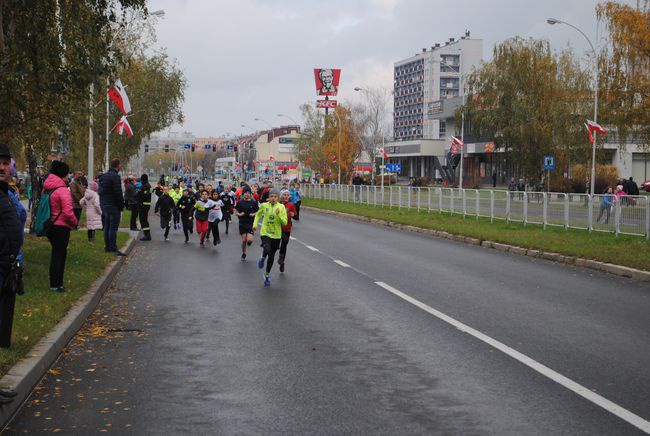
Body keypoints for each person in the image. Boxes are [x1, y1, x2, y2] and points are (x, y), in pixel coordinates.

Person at [0, 145, 24, 351]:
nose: (2, 167)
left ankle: (3, 345)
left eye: (5, 163)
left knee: (6, 308)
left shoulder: (7, 192)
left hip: (9, 263)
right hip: (2, 260)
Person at [43, 160, 78, 292]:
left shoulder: (48, 187)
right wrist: (75, 223)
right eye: (67, 174)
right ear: (63, 175)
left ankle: (55, 283)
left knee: (56, 254)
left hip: (50, 225)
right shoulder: (63, 190)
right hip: (61, 227)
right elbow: (68, 212)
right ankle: (56, 285)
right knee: (59, 256)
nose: (69, 176)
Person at [253, 189, 287, 286]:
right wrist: (255, 225)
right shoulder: (264, 205)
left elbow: (284, 222)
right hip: (265, 232)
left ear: (278, 198)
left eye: (275, 196)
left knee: (271, 256)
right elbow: (257, 215)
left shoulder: (281, 207)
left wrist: (279, 214)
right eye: (271, 196)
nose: (273, 198)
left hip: (276, 235)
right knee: (267, 249)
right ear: (269, 197)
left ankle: (267, 274)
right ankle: (263, 257)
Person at [98, 159, 125, 256]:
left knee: (107, 226)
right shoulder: (115, 177)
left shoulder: (104, 177)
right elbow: (118, 193)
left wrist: (103, 203)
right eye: (120, 165)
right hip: (114, 205)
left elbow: (100, 191)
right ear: (117, 166)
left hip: (106, 205)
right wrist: (121, 205)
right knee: (113, 227)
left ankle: (107, 246)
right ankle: (113, 248)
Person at [235, 186, 259, 261]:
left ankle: (249, 241)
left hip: (251, 223)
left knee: (249, 240)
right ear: (243, 194)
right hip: (242, 223)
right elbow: (235, 212)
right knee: (244, 240)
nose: (247, 194)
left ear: (251, 194)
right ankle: (244, 253)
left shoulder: (254, 202)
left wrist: (254, 214)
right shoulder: (240, 202)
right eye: (245, 193)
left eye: (248, 193)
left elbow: (258, 212)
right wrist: (240, 214)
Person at [278, 190, 296, 273]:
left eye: (287, 195)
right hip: (277, 227)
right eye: (284, 195)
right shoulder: (277, 204)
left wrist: (293, 214)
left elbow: (295, 215)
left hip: (287, 228)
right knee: (278, 244)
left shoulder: (291, 205)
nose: (286, 196)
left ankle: (282, 261)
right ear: (281, 196)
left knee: (285, 243)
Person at [136, 174, 152, 241]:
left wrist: (139, 192)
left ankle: (147, 235)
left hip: (143, 205)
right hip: (145, 205)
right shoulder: (147, 185)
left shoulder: (146, 186)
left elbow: (145, 196)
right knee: (144, 220)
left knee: (143, 220)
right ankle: (147, 234)